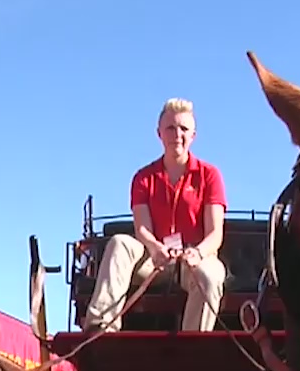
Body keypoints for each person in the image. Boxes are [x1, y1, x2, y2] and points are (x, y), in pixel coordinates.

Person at [84, 98, 228, 333]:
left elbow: (215, 234)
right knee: (120, 242)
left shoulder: (210, 175)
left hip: (194, 257)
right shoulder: (143, 177)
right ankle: (101, 327)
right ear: (159, 134)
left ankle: (194, 347)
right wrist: (155, 248)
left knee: (211, 276)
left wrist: (198, 252)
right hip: (155, 257)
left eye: (183, 129)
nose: (177, 135)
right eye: (170, 128)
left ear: (193, 135)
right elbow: (142, 229)